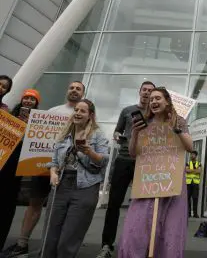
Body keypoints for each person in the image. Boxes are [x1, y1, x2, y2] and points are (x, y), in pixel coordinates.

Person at [3, 81, 85, 257]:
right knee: (35, 204)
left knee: (59, 209)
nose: (74, 90)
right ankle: (22, 244)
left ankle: (50, 248)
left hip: (67, 169)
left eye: (78, 89)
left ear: (83, 93)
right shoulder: (52, 111)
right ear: (67, 91)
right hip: (44, 165)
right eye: (71, 87)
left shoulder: (83, 114)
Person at [117, 87, 193, 257]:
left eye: (158, 98)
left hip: (171, 181)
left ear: (167, 101)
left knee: (169, 230)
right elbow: (133, 152)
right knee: (135, 229)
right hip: (147, 181)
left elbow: (190, 147)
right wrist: (135, 133)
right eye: (151, 99)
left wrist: (177, 129)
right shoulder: (143, 123)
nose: (154, 102)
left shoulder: (178, 121)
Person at [42, 98, 109, 257]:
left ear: (90, 115)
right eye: (76, 110)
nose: (78, 113)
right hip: (61, 185)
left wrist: (88, 152)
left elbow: (104, 161)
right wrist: (53, 173)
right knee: (49, 235)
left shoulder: (98, 135)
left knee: (70, 236)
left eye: (82, 111)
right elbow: (53, 161)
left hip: (85, 187)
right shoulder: (65, 134)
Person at [97, 81, 155, 258]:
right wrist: (117, 136)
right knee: (114, 203)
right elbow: (117, 131)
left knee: (142, 205)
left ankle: (139, 245)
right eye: (144, 90)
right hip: (123, 159)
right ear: (139, 92)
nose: (146, 93)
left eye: (150, 91)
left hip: (144, 162)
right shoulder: (127, 111)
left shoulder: (155, 115)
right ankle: (106, 245)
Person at [1, 87, 36, 250]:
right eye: (26, 98)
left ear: (36, 103)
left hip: (19, 165)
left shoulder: (39, 120)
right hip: (5, 162)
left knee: (9, 202)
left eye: (32, 99)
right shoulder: (9, 116)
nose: (28, 101)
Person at [186, 150, 202, 218]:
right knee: (188, 199)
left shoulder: (199, 163)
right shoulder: (188, 163)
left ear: (196, 156)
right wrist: (194, 170)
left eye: (193, 154)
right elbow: (187, 170)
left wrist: (191, 170)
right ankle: (189, 213)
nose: (191, 156)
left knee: (195, 198)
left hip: (195, 183)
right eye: (191, 154)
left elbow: (199, 171)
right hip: (188, 183)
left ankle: (195, 214)